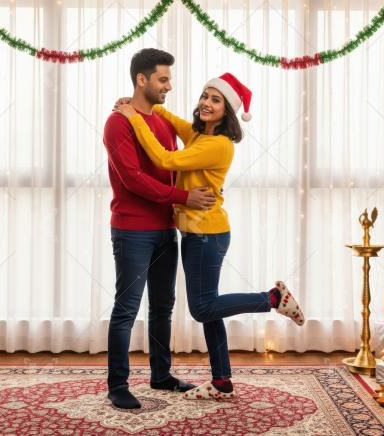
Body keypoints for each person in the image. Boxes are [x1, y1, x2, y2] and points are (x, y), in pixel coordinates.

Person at [114, 72, 305, 400]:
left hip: (207, 235)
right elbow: (176, 122)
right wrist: (146, 108)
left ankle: (273, 299)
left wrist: (133, 117)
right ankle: (222, 381)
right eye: (205, 95)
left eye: (216, 100)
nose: (206, 102)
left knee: (203, 309)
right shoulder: (201, 136)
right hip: (196, 234)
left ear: (227, 111)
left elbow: (165, 158)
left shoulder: (217, 145)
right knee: (212, 307)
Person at [103, 48, 216, 409]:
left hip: (166, 229)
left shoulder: (164, 122)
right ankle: (117, 385)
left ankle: (161, 375)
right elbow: (133, 179)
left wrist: (206, 184)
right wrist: (183, 195)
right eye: (163, 79)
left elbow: (185, 159)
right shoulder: (118, 123)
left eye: (169, 79)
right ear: (142, 79)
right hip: (132, 230)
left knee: (163, 307)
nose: (169, 85)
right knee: (127, 309)